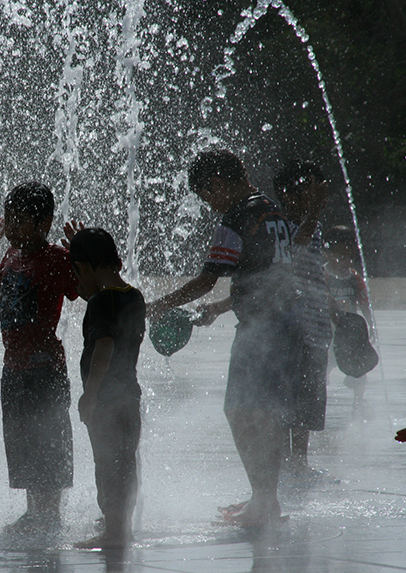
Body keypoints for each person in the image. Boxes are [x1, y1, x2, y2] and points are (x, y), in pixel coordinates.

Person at [147, 149, 300, 526]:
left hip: (260, 331)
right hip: (284, 325)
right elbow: (266, 278)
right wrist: (218, 309)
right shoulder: (271, 210)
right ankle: (265, 499)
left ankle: (263, 503)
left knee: (241, 412)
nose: (209, 204)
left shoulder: (235, 217)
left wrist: (158, 306)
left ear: (216, 183)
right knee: (264, 414)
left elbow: (206, 279)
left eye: (206, 196)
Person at [0, 181, 79, 535]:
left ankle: (49, 514)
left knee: (48, 441)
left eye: (19, 220)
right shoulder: (11, 255)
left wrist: (80, 253)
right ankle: (33, 512)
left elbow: (81, 290)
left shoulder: (56, 258)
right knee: (21, 440)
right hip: (14, 367)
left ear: (44, 222)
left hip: (45, 368)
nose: (11, 227)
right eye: (7, 219)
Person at [68, 228, 146, 549]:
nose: (77, 284)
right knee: (126, 461)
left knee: (107, 464)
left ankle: (114, 533)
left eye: (77, 273)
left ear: (85, 268)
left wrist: (90, 394)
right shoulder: (133, 295)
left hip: (106, 402)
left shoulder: (101, 302)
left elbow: (103, 346)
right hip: (130, 397)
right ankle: (120, 523)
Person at [272, 160, 332, 478]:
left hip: (316, 325)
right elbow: (296, 250)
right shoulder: (279, 224)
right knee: (286, 396)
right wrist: (316, 212)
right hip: (290, 326)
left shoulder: (313, 224)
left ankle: (299, 462)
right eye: (312, 190)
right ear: (290, 195)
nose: (318, 197)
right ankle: (284, 463)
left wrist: (333, 309)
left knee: (308, 397)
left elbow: (313, 271)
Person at [323, 224, 373, 418]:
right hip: (327, 334)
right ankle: (320, 404)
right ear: (327, 253)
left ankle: (358, 404)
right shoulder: (323, 275)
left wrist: (371, 326)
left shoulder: (353, 277)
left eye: (348, 256)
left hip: (348, 335)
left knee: (360, 371)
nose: (344, 260)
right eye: (340, 255)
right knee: (322, 372)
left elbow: (365, 303)